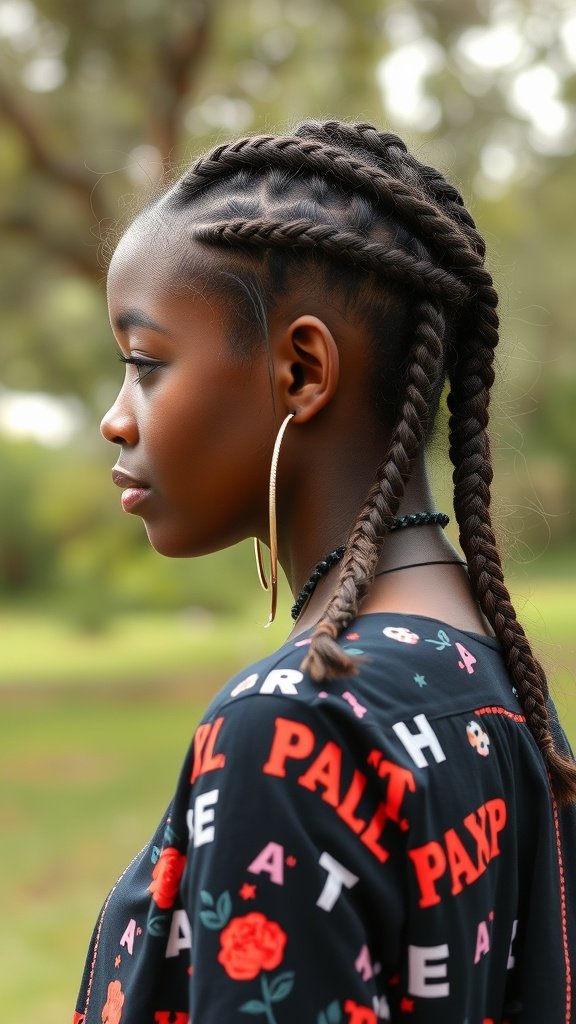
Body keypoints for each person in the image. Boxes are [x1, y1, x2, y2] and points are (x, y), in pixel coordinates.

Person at [74, 121, 576, 1024]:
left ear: (302, 371)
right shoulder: (494, 677)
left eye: (147, 365)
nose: (116, 419)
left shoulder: (285, 730)